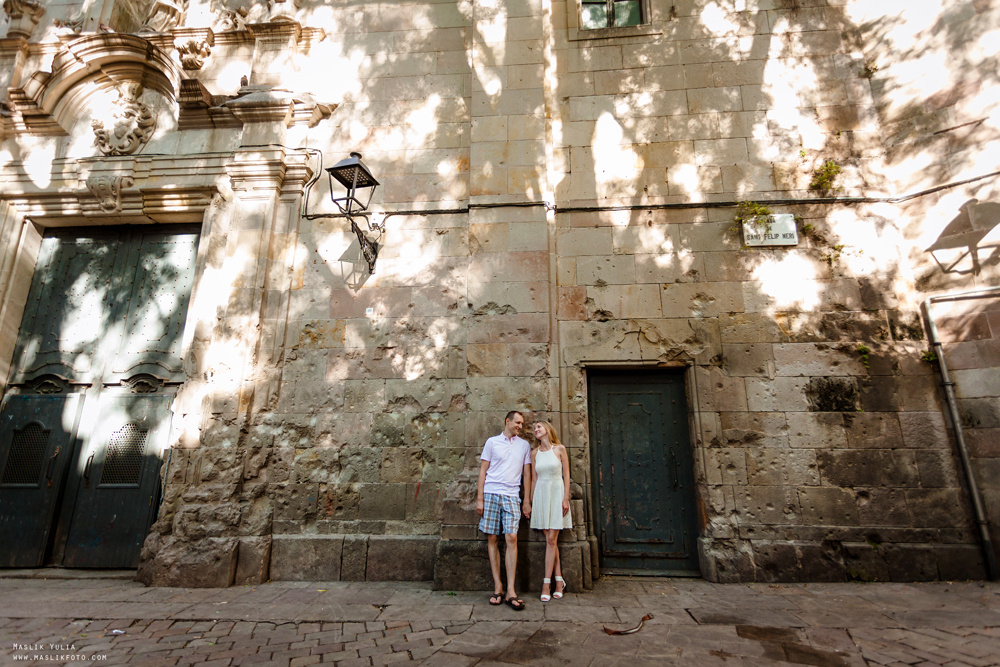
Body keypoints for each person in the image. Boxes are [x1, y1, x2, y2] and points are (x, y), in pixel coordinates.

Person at [476, 410, 532, 610]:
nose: (520, 426)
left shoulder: (524, 445)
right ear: (507, 421)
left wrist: (526, 501)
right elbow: (483, 470)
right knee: (492, 538)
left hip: (511, 496)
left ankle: (511, 590)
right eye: (517, 422)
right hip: (491, 493)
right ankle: (497, 587)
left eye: (522, 424)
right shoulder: (492, 442)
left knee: (512, 538)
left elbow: (527, 474)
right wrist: (480, 498)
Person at [528, 420, 572, 602]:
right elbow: (534, 479)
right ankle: (559, 581)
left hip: (556, 494)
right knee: (550, 540)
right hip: (541, 496)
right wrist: (530, 502)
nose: (536, 430)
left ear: (547, 429)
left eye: (539, 426)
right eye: (534, 428)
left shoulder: (560, 449)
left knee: (552, 539)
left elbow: (567, 475)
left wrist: (566, 498)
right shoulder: (534, 453)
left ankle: (546, 584)